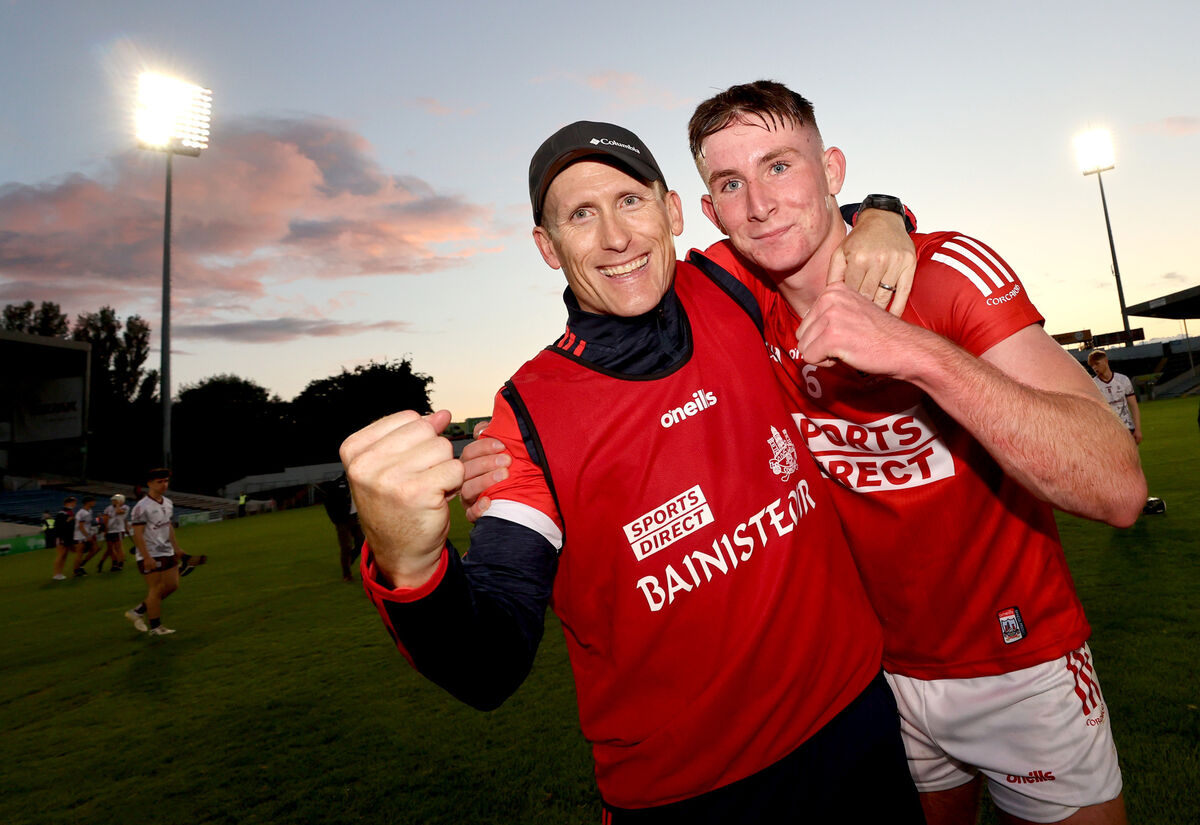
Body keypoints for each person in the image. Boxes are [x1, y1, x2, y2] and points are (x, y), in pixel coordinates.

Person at [342, 121, 926, 822]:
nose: (615, 237)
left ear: (671, 210)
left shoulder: (731, 281)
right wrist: (412, 565)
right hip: (691, 794)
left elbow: (814, 223)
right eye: (580, 215)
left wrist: (886, 212)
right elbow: (488, 662)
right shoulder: (524, 420)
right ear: (546, 247)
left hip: (855, 725)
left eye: (630, 201)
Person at [677, 81, 1145, 825]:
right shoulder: (738, 305)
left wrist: (916, 351)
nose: (758, 203)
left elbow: (1118, 486)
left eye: (778, 166)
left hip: (1019, 662)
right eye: (729, 183)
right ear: (709, 211)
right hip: (875, 674)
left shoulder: (946, 273)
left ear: (832, 170)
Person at [124, 469, 186, 636]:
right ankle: (156, 627)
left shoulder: (167, 502)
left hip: (167, 550)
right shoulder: (141, 507)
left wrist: (177, 547)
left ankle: (138, 611)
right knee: (156, 588)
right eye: (159, 481)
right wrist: (146, 557)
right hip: (150, 553)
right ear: (149, 484)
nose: (164, 484)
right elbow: (137, 534)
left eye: (166, 481)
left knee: (172, 586)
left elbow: (168, 526)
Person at [1087, 350, 1142, 444]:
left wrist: (1138, 429)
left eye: (1097, 364)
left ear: (1106, 361)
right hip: (1107, 431)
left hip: (1127, 428)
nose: (1095, 368)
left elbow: (1133, 405)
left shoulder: (1123, 380)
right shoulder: (1092, 384)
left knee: (1130, 458)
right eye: (1092, 366)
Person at [319, 473, 365, 582]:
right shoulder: (336, 483)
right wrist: (335, 519)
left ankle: (350, 560)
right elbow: (328, 502)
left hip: (355, 518)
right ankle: (346, 574)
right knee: (346, 546)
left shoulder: (359, 482)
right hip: (342, 520)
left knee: (361, 543)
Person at [97, 494, 129, 572]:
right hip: (110, 530)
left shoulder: (125, 507)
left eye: (115, 500)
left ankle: (120, 564)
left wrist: (118, 505)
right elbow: (104, 518)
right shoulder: (108, 508)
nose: (113, 502)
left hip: (118, 530)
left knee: (119, 548)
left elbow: (119, 512)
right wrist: (105, 530)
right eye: (113, 500)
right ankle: (114, 563)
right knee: (110, 548)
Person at [72, 496, 100, 576]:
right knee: (79, 553)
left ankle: (81, 565)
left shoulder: (89, 511)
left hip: (86, 534)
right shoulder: (82, 513)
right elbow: (81, 526)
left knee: (95, 549)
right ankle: (76, 570)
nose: (94, 503)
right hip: (80, 536)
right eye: (93, 501)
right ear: (88, 502)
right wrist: (87, 536)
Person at [49, 496, 76, 581]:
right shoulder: (62, 513)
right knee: (61, 555)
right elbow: (59, 526)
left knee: (64, 556)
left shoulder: (69, 512)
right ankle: (56, 573)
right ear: (68, 503)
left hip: (67, 536)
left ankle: (60, 573)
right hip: (62, 537)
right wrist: (69, 520)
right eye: (73, 502)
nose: (74, 504)